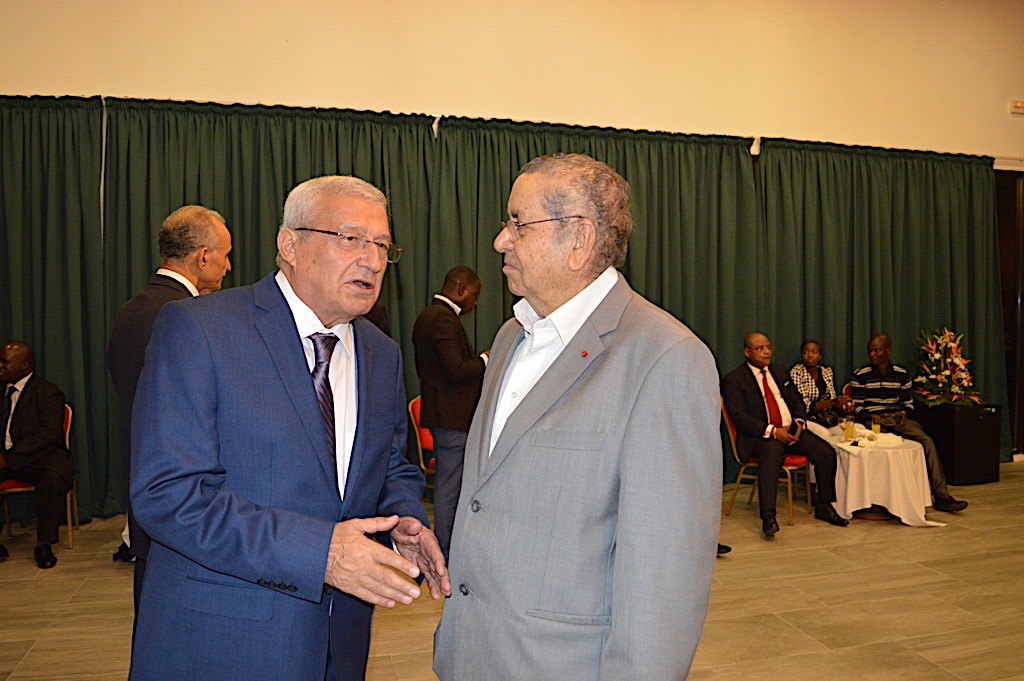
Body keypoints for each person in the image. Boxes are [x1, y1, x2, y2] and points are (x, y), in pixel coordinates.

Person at [129, 176, 450, 681]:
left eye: (382, 245)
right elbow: (168, 494)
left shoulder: (380, 352)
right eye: (351, 239)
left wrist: (403, 521)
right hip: (225, 641)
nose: (372, 260)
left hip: (340, 642)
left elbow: (389, 466)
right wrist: (321, 554)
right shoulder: (200, 329)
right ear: (290, 245)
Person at [434, 153, 722, 680]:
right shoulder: (510, 336)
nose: (500, 240)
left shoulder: (665, 357)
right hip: (471, 653)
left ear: (579, 240)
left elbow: (665, 577)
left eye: (518, 223)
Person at [106, 205, 232, 621]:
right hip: (187, 493)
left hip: (145, 480)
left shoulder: (132, 309)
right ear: (203, 257)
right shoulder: (188, 316)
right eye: (225, 255)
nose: (229, 266)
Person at [722, 332, 849, 539]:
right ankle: (768, 517)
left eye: (768, 347)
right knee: (772, 453)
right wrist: (773, 431)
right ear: (747, 352)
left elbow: (796, 400)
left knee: (826, 452)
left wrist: (799, 422)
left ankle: (824, 505)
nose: (766, 352)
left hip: (791, 430)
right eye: (760, 348)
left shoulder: (779, 371)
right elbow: (740, 417)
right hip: (760, 436)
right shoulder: (734, 380)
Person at [411, 266, 486, 561]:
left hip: (443, 416)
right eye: (474, 296)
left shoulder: (427, 316)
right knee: (449, 487)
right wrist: (486, 359)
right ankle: (446, 551)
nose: (475, 303)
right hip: (452, 419)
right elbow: (456, 370)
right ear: (461, 289)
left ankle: (447, 547)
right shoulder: (442, 319)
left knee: (448, 484)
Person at [850, 334, 968, 513]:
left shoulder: (901, 373)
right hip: (873, 420)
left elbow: (909, 403)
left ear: (888, 351)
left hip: (897, 418)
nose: (872, 354)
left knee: (927, 441)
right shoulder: (861, 375)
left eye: (877, 350)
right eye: (870, 351)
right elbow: (857, 406)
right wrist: (872, 417)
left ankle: (942, 496)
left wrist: (904, 413)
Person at [0, 341, 73, 569]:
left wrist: (7, 458)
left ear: (24, 365)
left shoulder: (48, 393)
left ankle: (44, 543)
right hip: (6, 459)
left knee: (53, 479)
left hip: (40, 458)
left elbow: (48, 435)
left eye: (5, 362)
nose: (0, 366)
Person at [789, 339, 855, 439]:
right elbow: (805, 407)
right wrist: (833, 402)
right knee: (826, 435)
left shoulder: (826, 372)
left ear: (819, 356)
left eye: (814, 352)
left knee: (856, 429)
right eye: (805, 352)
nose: (810, 356)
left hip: (827, 418)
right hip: (807, 419)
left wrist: (844, 405)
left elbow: (832, 399)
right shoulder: (797, 372)